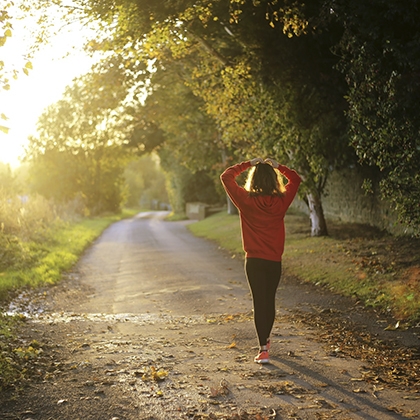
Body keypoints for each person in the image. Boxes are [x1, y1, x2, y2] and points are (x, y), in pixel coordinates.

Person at [220, 157, 302, 364]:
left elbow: (226, 176)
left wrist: (248, 163)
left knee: (259, 302)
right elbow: (296, 179)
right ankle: (265, 341)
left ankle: (263, 349)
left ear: (253, 180)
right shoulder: (281, 201)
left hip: (254, 261)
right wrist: (278, 166)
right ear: (274, 180)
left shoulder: (245, 200)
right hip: (274, 261)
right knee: (269, 301)